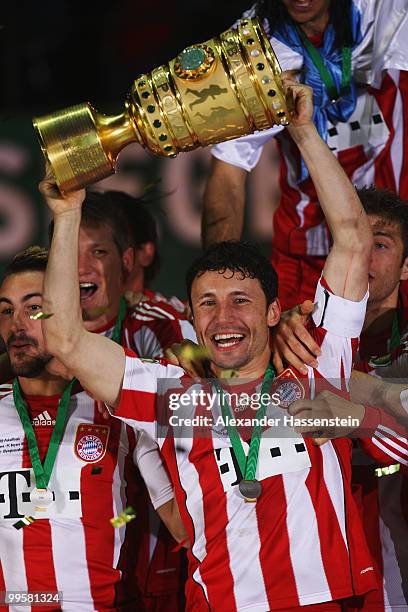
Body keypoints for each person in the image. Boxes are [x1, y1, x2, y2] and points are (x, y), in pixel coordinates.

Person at [38, 77, 399, 610]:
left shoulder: (319, 361)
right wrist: (67, 216)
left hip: (329, 600)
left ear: (275, 310)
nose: (222, 316)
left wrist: (301, 129)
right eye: (206, 302)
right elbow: (64, 337)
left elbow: (351, 237)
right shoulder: (171, 398)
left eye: (240, 300)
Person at [0, 246, 186, 611]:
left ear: (69, 316)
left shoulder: (119, 407)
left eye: (34, 307)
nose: (17, 323)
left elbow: (182, 526)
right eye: (6, 310)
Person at [203, 0, 408, 310]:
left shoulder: (383, 10)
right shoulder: (249, 49)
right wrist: (220, 280)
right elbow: (228, 174)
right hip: (308, 255)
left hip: (392, 252)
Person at [272, 186, 408, 610]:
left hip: (391, 555)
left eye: (379, 244)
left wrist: (350, 403)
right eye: (354, 241)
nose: (362, 253)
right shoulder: (296, 331)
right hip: (307, 555)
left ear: (407, 267)